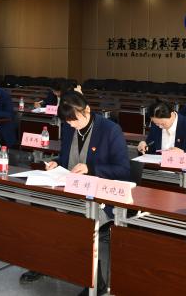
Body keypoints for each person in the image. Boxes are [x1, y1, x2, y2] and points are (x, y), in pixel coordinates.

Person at [21, 91, 129, 294]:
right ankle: (43, 264)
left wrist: (91, 169)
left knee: (81, 223)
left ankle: (96, 282)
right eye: (67, 122)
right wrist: (56, 163)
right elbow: (66, 159)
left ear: (87, 110)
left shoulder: (110, 130)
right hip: (69, 190)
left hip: (99, 196)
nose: (71, 125)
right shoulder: (70, 128)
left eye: (74, 120)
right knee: (39, 210)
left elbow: (123, 169)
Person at [138, 100, 186, 194]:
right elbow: (151, 145)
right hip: (158, 173)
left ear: (172, 114)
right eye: (156, 123)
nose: (160, 127)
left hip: (184, 175)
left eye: (163, 124)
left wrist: (183, 153)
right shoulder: (156, 124)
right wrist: (144, 145)